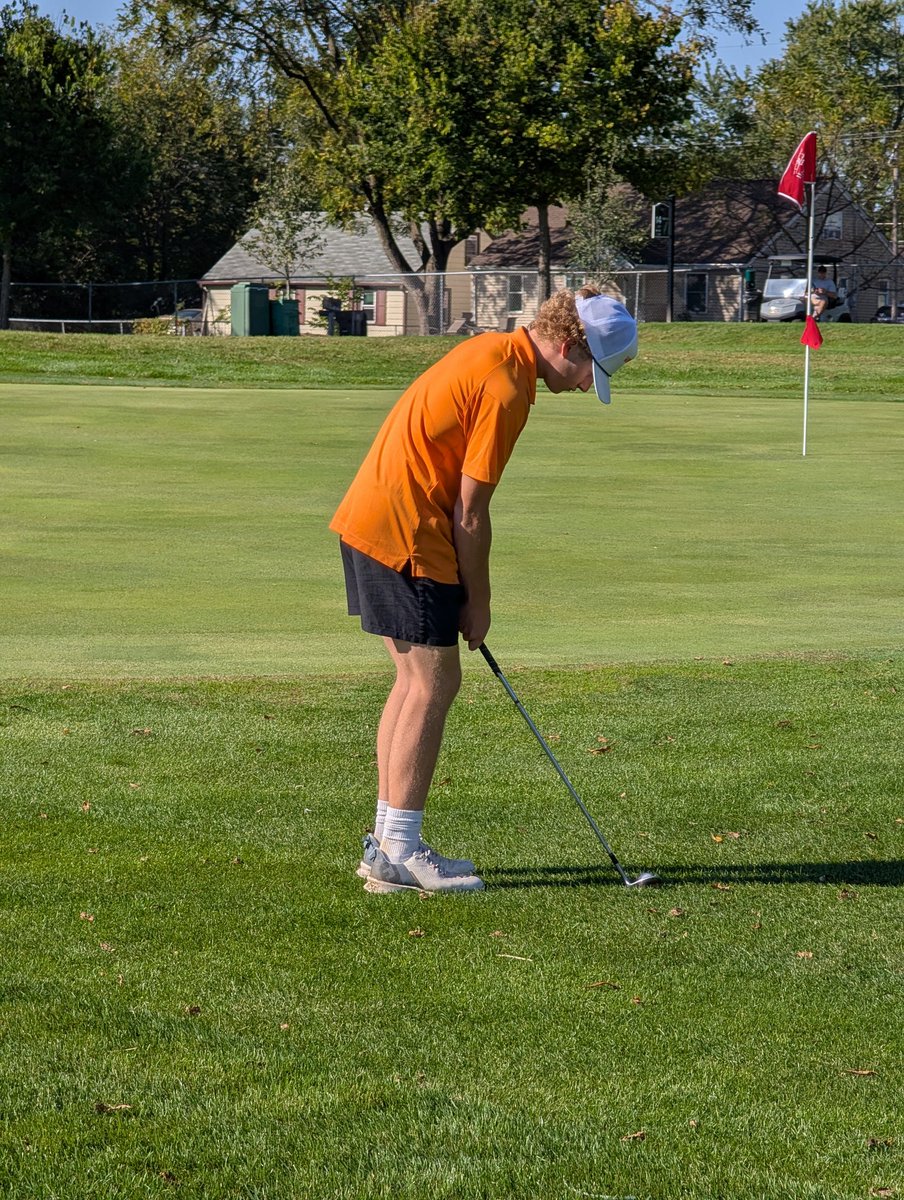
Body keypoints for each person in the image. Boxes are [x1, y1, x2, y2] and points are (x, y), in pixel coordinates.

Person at [329, 287, 638, 894]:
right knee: (433, 683)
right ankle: (401, 853)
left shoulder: (493, 352)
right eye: (588, 372)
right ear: (569, 344)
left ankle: (388, 847)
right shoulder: (507, 389)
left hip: (371, 521)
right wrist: (480, 599)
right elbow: (471, 512)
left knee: (414, 683)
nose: (582, 387)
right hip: (407, 531)